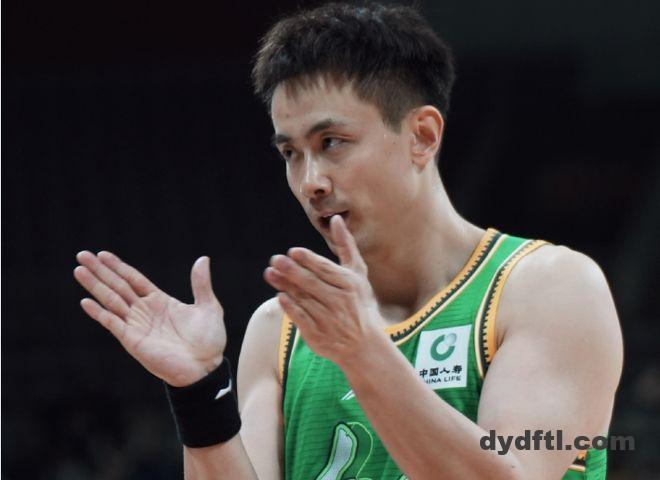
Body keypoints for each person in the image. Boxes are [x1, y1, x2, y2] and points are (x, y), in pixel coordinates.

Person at [73, 2, 623, 479]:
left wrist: (364, 355)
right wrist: (198, 394)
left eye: (332, 142)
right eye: (291, 153)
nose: (310, 180)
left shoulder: (549, 289)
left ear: (422, 136)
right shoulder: (279, 329)